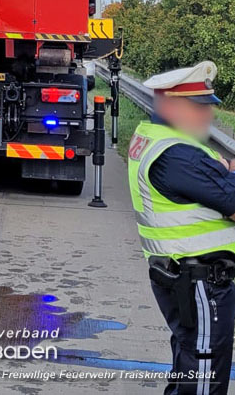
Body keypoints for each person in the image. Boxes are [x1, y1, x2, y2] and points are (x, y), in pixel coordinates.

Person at [128, 60, 235, 394]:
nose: (208, 117)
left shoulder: (156, 137)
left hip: (181, 275)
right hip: (202, 279)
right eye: (199, 108)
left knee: (190, 360)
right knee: (203, 372)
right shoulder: (178, 155)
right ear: (172, 106)